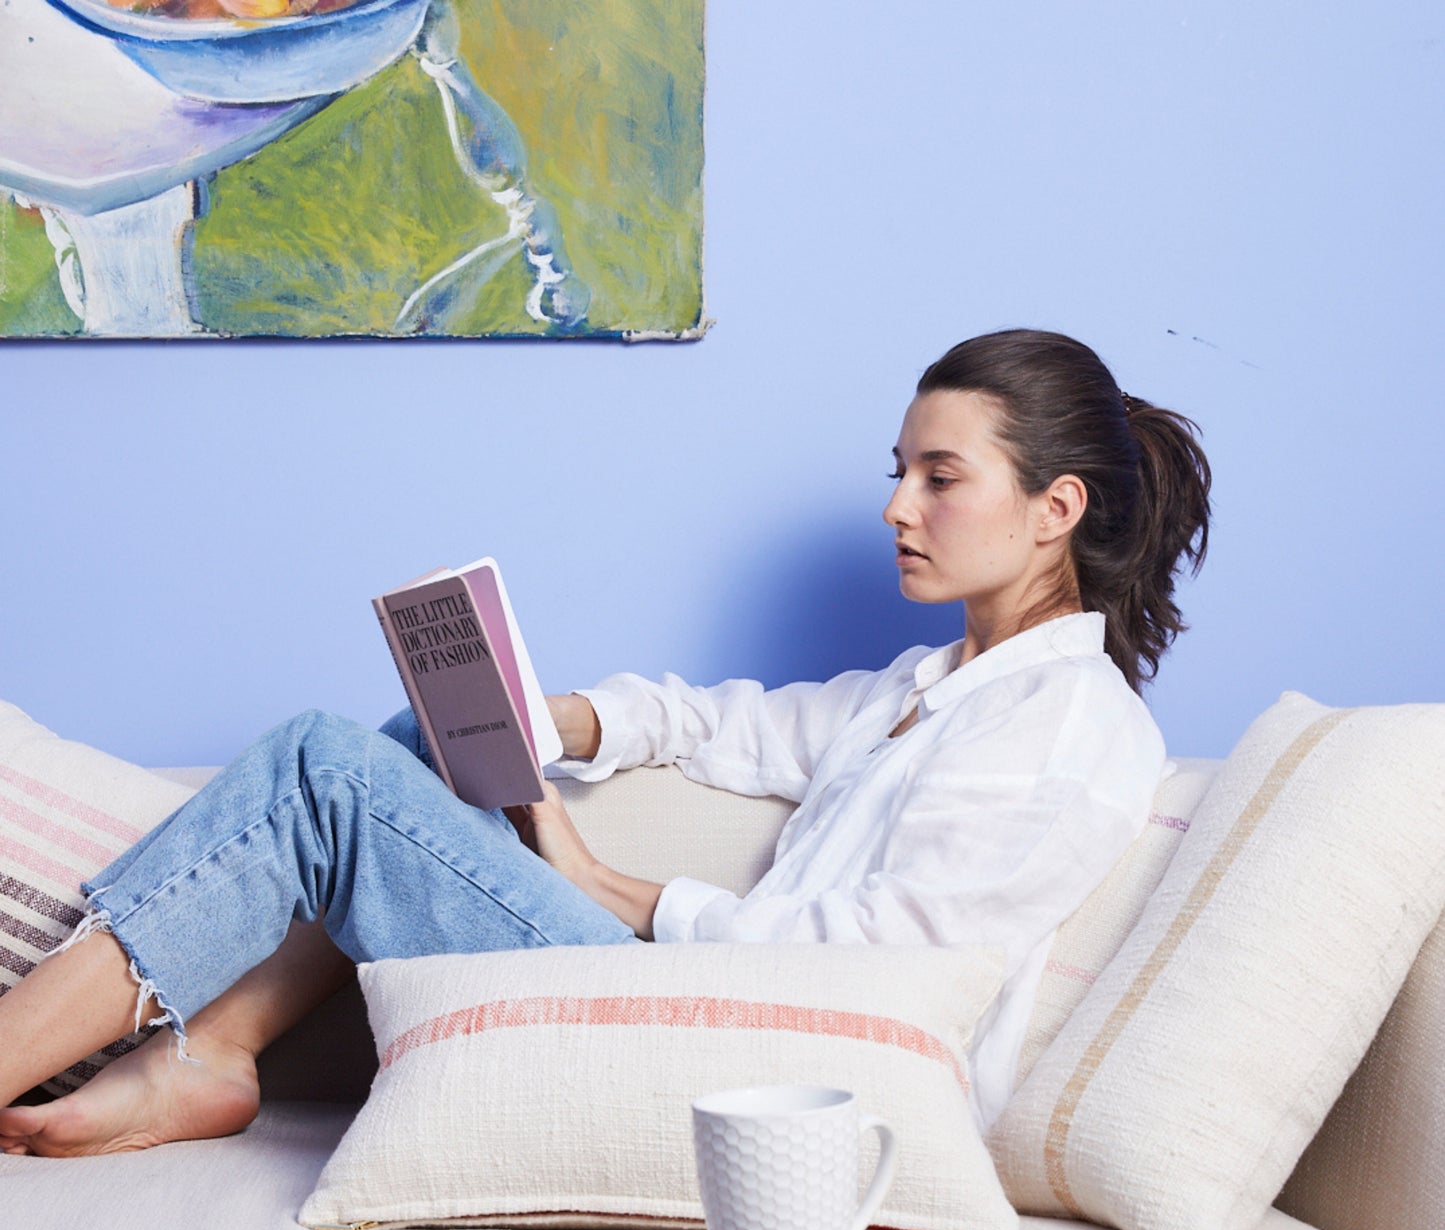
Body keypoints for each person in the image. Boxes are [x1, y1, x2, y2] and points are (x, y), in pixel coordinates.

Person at [0, 327, 1210, 1159]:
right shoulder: (932, 686)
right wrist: (556, 720)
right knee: (404, 741)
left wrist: (607, 888)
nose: (896, 507)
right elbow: (722, 722)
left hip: (763, 1080)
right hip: (725, 1029)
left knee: (324, 764)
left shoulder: (1061, 724)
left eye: (940, 477)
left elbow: (879, 965)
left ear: (1056, 510)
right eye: (897, 473)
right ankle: (210, 1052)